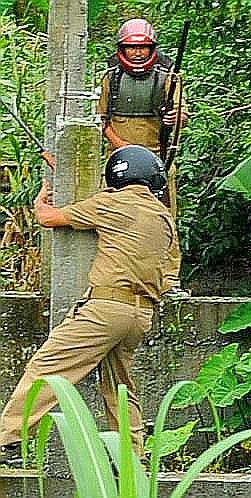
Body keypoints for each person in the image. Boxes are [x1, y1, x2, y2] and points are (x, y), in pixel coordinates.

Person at [0, 145, 180, 464]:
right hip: (141, 314)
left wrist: (41, 201)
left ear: (115, 177)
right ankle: (131, 458)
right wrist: (63, 167)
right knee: (120, 387)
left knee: (48, 367)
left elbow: (49, 218)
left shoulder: (110, 204)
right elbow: (168, 270)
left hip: (105, 309)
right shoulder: (163, 216)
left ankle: (8, 438)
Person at [97, 18, 189, 219]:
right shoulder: (111, 76)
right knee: (114, 213)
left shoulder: (168, 75)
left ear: (151, 48)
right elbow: (100, 119)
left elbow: (182, 115)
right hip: (118, 157)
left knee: (161, 215)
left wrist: (175, 117)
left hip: (157, 157)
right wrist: (122, 146)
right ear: (123, 49)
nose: (137, 53)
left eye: (143, 47)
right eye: (132, 47)